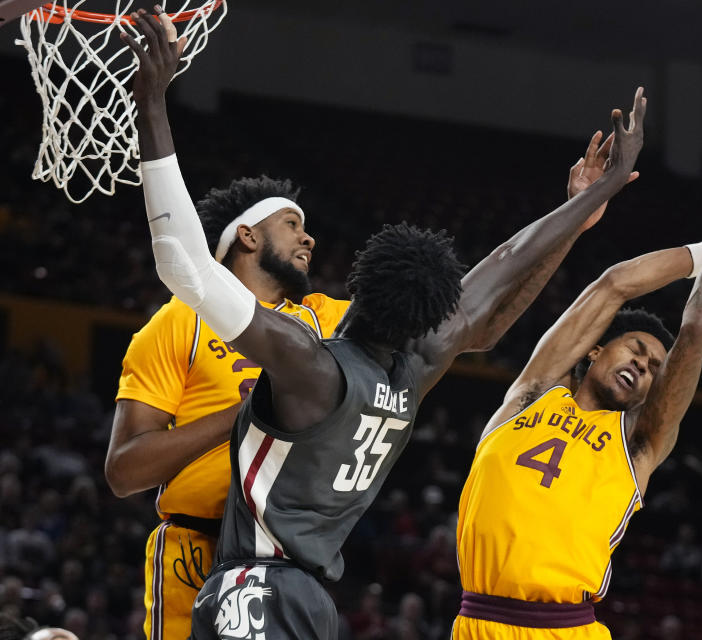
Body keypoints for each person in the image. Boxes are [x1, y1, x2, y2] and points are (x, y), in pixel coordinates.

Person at [120, 8, 647, 638]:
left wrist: (152, 105)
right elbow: (494, 281)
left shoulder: (309, 361)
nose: (311, 239)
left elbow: (183, 264)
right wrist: (593, 198)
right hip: (311, 595)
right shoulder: (416, 368)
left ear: (361, 289)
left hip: (254, 586)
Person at [454, 173, 702, 638]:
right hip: (476, 624)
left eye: (654, 367)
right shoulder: (529, 395)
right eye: (635, 347)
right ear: (595, 350)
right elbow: (613, 285)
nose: (644, 364)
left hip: (565, 629)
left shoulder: (637, 445)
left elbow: (697, 330)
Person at [104, 54, 352, 640]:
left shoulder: (322, 319)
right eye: (293, 223)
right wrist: (242, 415)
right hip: (197, 543)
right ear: (247, 235)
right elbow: (124, 472)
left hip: (289, 561)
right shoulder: (179, 323)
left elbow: (453, 315)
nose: (309, 235)